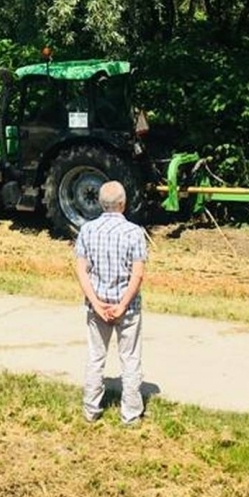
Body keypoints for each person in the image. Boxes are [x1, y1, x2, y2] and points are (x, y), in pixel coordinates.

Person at [73, 181, 148, 425]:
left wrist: (95, 303)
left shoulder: (87, 231)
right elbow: (137, 274)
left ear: (100, 203)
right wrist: (123, 304)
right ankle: (130, 414)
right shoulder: (134, 233)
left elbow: (81, 271)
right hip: (127, 308)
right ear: (123, 204)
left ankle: (91, 410)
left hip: (98, 306)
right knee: (130, 358)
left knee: (96, 357)